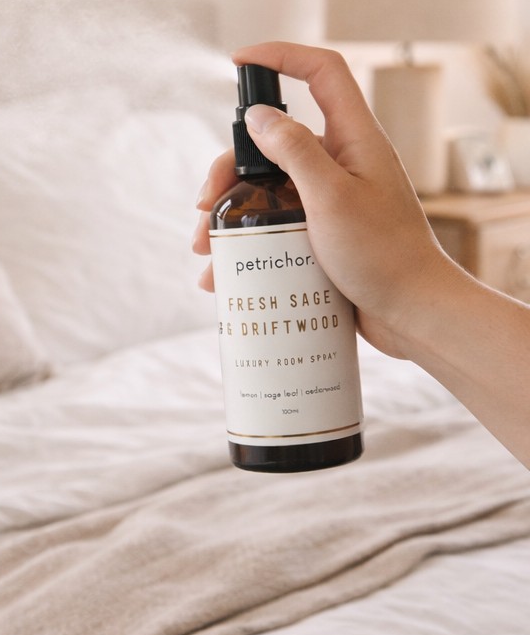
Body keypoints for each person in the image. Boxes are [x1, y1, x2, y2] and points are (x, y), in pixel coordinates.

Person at [193, 41, 530, 469]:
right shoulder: (230, 211)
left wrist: (408, 289)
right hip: (255, 427)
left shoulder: (289, 200)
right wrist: (408, 303)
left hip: (331, 423)